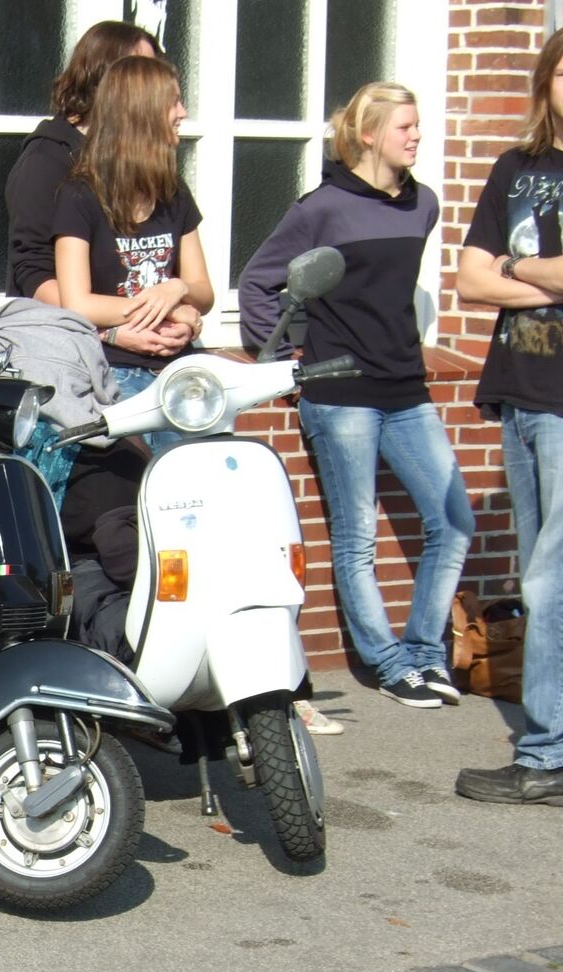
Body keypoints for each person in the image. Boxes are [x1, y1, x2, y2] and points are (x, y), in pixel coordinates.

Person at [240, 82, 472, 712]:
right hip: (340, 392)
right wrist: (282, 359)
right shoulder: (323, 208)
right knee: (357, 536)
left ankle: (425, 653)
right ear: (369, 135)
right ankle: (388, 663)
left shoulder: (423, 204)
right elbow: (259, 281)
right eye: (405, 127)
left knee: (454, 521)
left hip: (406, 388)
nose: (417, 136)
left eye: (418, 125)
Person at [454, 30, 563, 804]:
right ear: (546, 80)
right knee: (540, 574)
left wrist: (512, 268)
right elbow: (469, 280)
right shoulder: (514, 168)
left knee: (550, 580)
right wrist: (542, 276)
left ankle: (547, 755)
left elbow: (496, 272)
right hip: (519, 393)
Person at [3, 22, 201, 356]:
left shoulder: (150, 169)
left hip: (155, 344)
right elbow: (33, 271)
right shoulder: (47, 161)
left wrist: (178, 307)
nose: (152, 80)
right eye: (140, 68)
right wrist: (109, 330)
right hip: (73, 350)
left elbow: (174, 272)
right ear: (110, 78)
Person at [50, 54, 214, 402]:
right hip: (113, 373)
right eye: (174, 102)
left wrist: (177, 288)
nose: (183, 112)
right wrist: (173, 309)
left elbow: (204, 293)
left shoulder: (174, 192)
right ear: (142, 112)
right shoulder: (79, 195)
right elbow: (76, 304)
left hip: (178, 372)